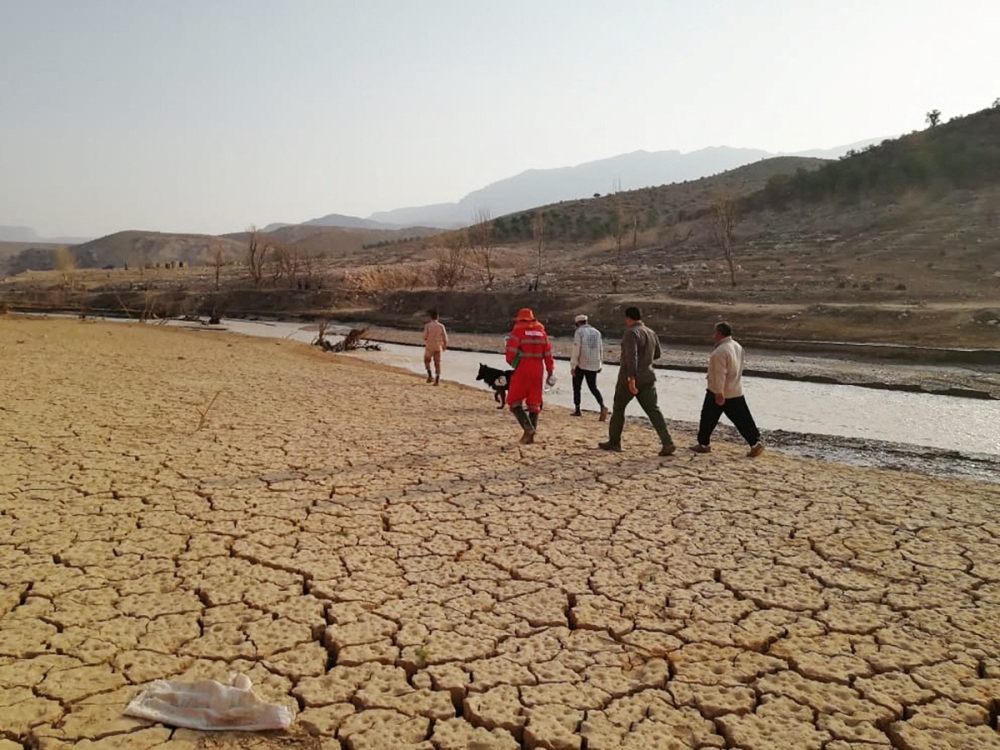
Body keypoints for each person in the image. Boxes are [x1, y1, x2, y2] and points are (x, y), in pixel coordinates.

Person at [599, 306, 675, 456]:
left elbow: (631, 357)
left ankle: (614, 442)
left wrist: (631, 378)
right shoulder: (651, 332)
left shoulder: (631, 333)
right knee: (653, 410)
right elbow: (657, 354)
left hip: (630, 379)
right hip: (648, 377)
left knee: (619, 408)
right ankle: (668, 442)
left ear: (628, 318)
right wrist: (645, 361)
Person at [691, 322, 764, 457]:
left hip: (718, 391)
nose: (714, 335)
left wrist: (719, 392)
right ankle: (755, 442)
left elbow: (720, 373)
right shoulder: (737, 346)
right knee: (743, 419)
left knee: (707, 417)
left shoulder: (720, 351)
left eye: (715, 333)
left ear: (719, 333)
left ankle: (704, 444)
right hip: (735, 389)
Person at [505, 308, 555, 444]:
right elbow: (548, 355)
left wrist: (512, 362)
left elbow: (510, 353)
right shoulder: (542, 333)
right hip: (538, 370)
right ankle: (530, 437)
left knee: (514, 400)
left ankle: (528, 428)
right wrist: (550, 371)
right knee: (534, 402)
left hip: (522, 369)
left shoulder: (518, 331)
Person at [569, 314, 608, 420]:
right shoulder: (597, 332)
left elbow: (576, 349)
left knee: (577, 387)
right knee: (593, 387)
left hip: (581, 363)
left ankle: (577, 409)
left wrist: (573, 365)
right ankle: (602, 406)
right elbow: (600, 348)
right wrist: (600, 363)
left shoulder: (579, 332)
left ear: (577, 323)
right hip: (594, 363)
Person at [422, 309, 448, 385]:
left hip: (429, 346)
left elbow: (424, 336)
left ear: (430, 317)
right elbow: (445, 337)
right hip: (438, 346)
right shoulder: (441, 326)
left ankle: (430, 375)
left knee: (427, 360)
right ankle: (437, 379)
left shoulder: (428, 326)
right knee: (437, 363)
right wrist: (444, 346)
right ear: (438, 317)